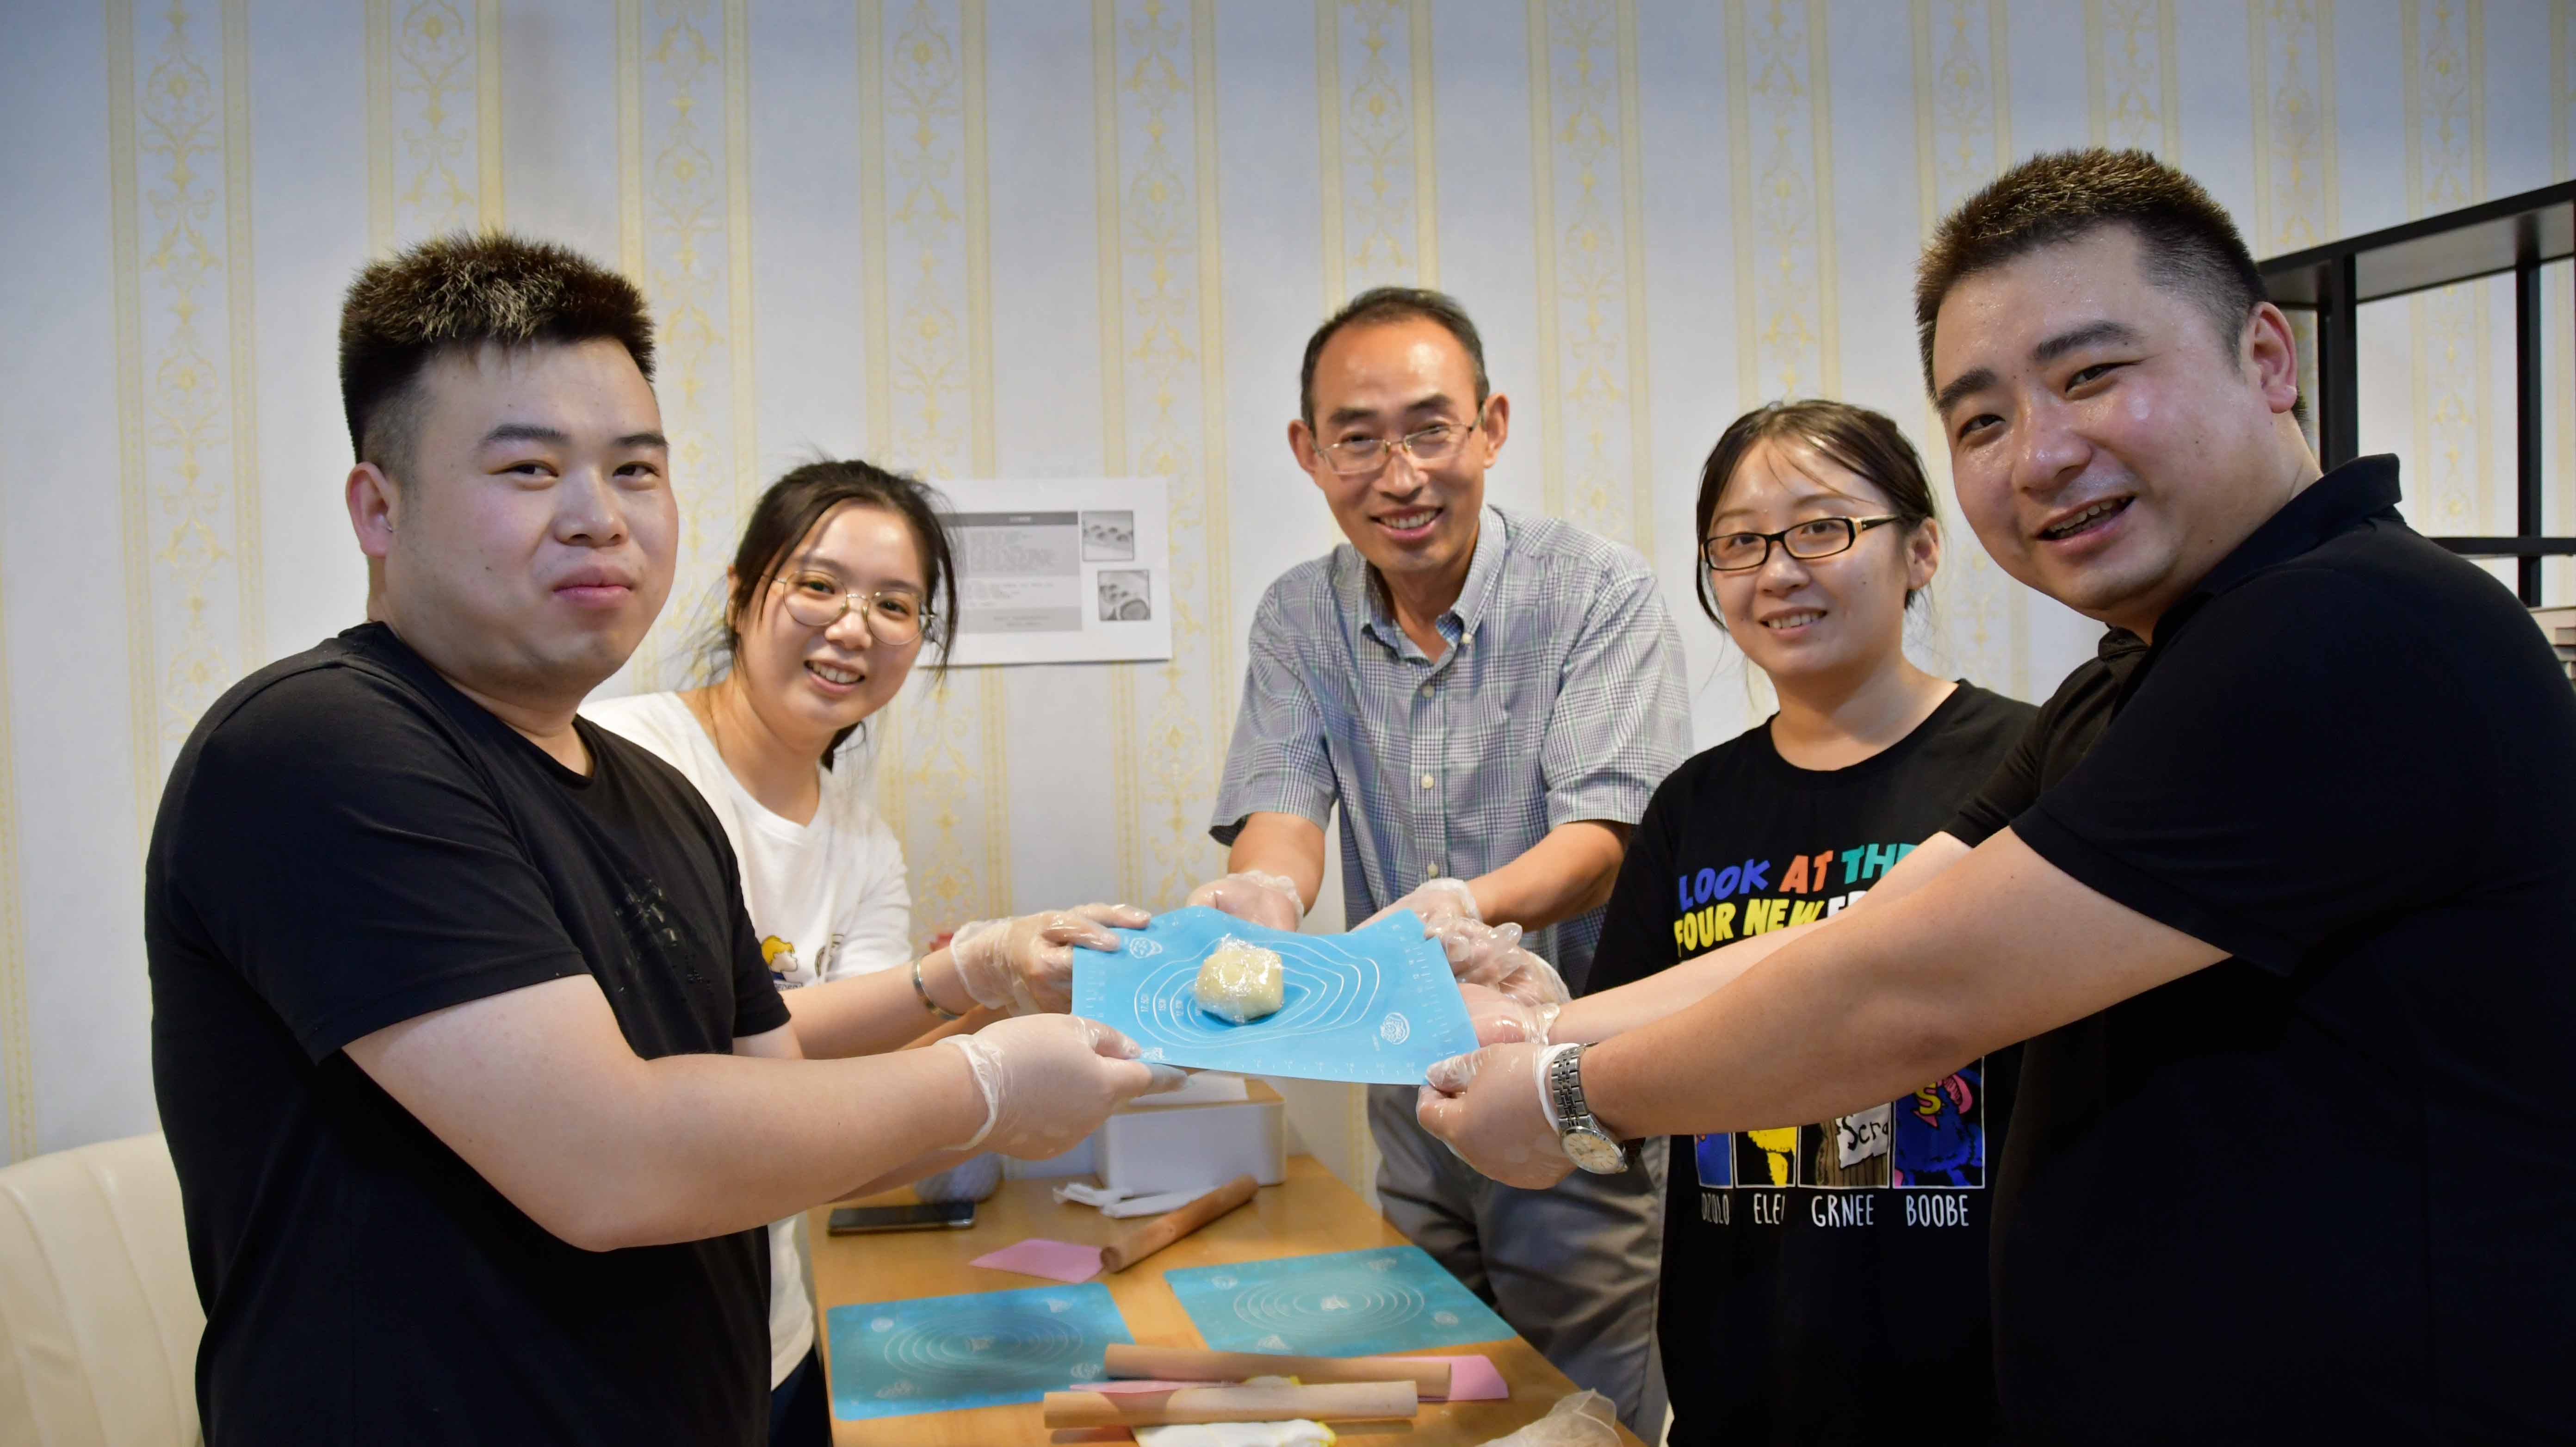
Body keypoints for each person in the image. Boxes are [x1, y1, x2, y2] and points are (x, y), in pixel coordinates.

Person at [1418, 149, 2576, 1441]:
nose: (2040, 456)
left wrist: (1572, 1097)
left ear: (2265, 357)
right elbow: (1866, 935)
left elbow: (1911, 998)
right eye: (1981, 421)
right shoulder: (2133, 677)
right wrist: (1549, 1028)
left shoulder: (2349, 633)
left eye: (2091, 376)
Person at [145, 233, 1171, 1445]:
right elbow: (609, 1160)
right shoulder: (319, 746)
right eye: (529, 469)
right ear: (381, 507)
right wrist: (984, 1081)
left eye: (635, 469)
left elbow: (776, 1112)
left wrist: (1007, 1030)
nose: (598, 518)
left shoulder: (657, 799)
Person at [1189, 286, 1692, 1433]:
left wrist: (1468, 902)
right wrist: (1264, 897)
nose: (1401, 475)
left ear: (1491, 427)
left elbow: (1607, 837)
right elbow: (1282, 813)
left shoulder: (1594, 589)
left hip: (1572, 1085)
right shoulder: (1299, 616)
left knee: (1586, 1407)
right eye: (1359, 440)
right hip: (1409, 1088)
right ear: (1309, 453)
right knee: (1431, 1399)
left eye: (1429, 430)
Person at [584, 458, 1143, 1444]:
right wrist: (966, 975)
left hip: (767, 1337)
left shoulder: (864, 841)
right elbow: (695, 1058)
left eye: (894, 604)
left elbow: (853, 1111)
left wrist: (1016, 1005)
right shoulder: (625, 759)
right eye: (818, 584)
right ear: (741, 593)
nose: (854, 627)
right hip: (601, 1348)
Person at [1563, 400, 2033, 1444]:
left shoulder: (2022, 766)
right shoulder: (1691, 806)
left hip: (1981, 1382)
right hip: (1745, 1376)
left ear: (1921, 550)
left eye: (1822, 528)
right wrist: (1519, 1028)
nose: (1777, 571)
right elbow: (1618, 1072)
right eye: (1739, 542)